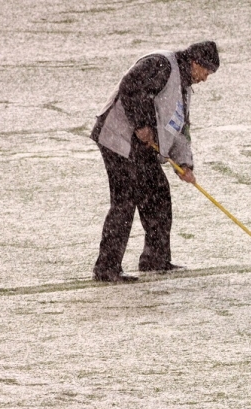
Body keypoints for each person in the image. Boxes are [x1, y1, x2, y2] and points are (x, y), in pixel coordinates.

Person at [90, 41, 219, 282]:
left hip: (142, 147)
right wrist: (141, 125)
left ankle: (155, 259)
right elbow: (130, 86)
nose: (205, 78)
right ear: (195, 63)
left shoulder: (184, 86)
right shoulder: (160, 64)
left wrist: (185, 164)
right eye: (206, 72)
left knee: (158, 194)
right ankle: (106, 268)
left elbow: (180, 129)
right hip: (117, 138)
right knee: (125, 201)